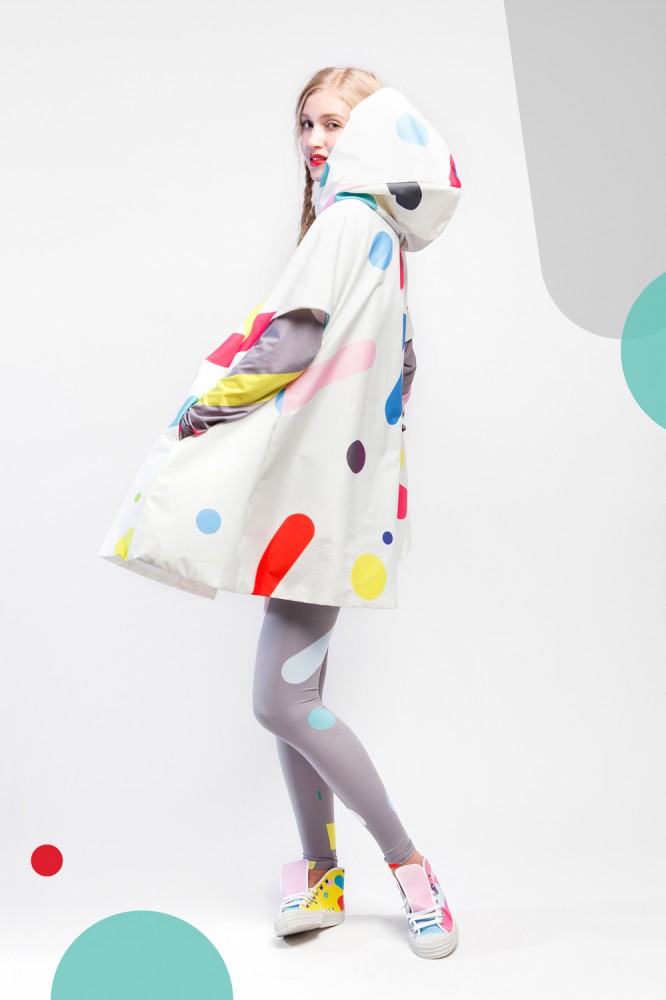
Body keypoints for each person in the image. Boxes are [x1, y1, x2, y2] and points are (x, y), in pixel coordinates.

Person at [100, 66, 462, 959]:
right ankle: (321, 870)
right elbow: (404, 368)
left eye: (334, 123)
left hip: (313, 498)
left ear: (374, 133)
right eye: (305, 124)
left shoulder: (345, 222)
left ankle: (410, 866)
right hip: (329, 496)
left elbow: (289, 341)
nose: (313, 141)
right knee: (301, 697)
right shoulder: (384, 235)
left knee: (279, 700)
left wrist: (206, 407)